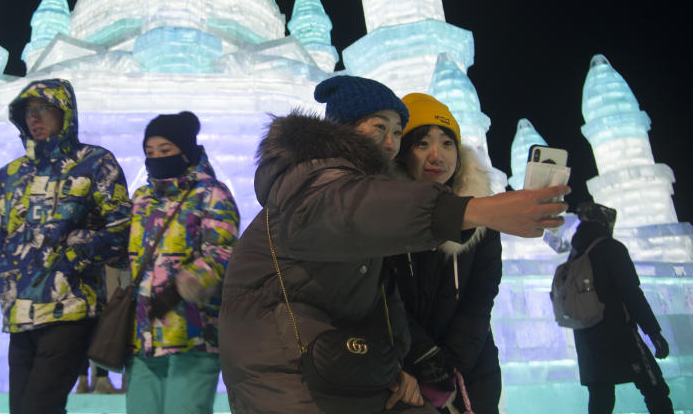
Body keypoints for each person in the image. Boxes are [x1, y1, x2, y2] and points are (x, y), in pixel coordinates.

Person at [219, 75, 569, 414]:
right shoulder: (314, 181)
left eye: (397, 132)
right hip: (285, 364)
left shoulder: (382, 205)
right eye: (379, 127)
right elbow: (354, 208)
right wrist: (475, 210)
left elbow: (387, 301)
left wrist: (398, 364)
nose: (389, 142)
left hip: (344, 361)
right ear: (343, 126)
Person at [0, 79, 132, 414]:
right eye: (27, 112)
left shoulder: (94, 162)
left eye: (43, 109)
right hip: (19, 312)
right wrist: (0, 273)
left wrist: (78, 252)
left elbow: (123, 226)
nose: (34, 118)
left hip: (71, 308)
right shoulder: (12, 173)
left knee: (40, 408)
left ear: (63, 112)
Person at [387, 93, 502, 413]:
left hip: (473, 370)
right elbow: (383, 295)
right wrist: (424, 357)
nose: (437, 155)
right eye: (422, 144)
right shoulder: (384, 218)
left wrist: (453, 362)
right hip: (406, 372)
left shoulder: (483, 217)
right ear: (403, 154)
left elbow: (482, 296)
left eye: (447, 143)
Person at [126, 111, 240, 414]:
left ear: (186, 151)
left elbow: (222, 252)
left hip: (193, 334)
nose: (157, 158)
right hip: (144, 336)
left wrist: (181, 288)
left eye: (166, 150)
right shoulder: (141, 199)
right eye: (150, 152)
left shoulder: (212, 194)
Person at [568, 203, 673, 414]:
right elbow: (631, 293)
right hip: (619, 331)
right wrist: (653, 333)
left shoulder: (576, 254)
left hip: (587, 335)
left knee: (601, 396)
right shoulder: (611, 248)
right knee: (654, 388)